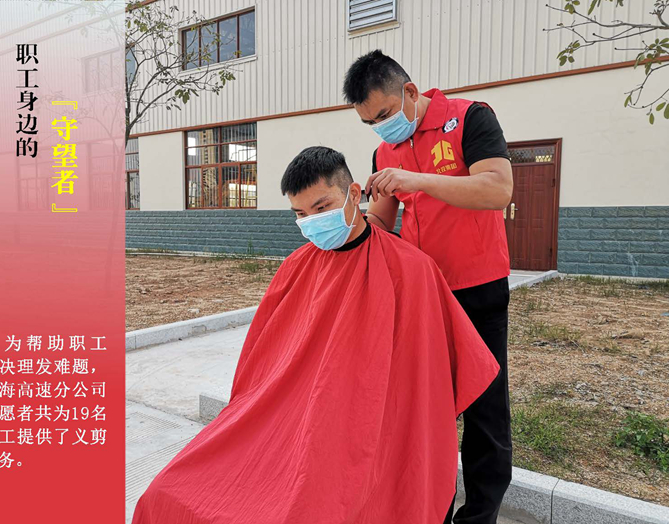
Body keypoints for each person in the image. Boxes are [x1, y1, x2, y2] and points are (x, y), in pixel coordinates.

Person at [132, 146, 501, 524]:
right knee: (165, 491)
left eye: (322, 207)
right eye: (301, 215)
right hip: (290, 418)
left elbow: (427, 380)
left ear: (354, 195)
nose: (312, 222)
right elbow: (262, 364)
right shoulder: (296, 267)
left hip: (363, 423)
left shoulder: (411, 269)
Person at [343, 50, 514, 524]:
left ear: (410, 92)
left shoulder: (469, 119)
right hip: (422, 297)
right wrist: (342, 220)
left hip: (478, 289)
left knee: (484, 411)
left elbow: (497, 189)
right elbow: (381, 222)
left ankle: (478, 517)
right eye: (369, 123)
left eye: (383, 114)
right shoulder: (384, 153)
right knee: (429, 412)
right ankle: (429, 511)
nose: (380, 128)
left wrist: (416, 179)